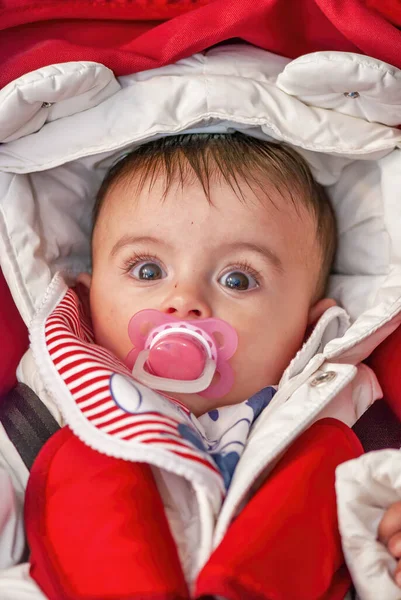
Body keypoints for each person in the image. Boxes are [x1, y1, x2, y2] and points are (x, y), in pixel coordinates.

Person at [23, 132, 363, 600]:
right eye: (147, 270)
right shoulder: (45, 402)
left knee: (330, 461)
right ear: (89, 295)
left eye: (238, 279)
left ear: (308, 327)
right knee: (78, 456)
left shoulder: (344, 417)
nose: (184, 301)